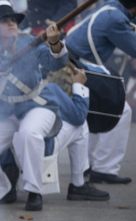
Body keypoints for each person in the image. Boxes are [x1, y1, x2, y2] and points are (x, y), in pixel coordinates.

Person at [0, 1, 68, 212]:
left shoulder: (31, 42)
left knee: (29, 133)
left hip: (36, 105)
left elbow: (56, 63)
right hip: (3, 112)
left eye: (14, 20)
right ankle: (2, 192)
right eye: (5, 21)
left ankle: (34, 192)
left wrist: (56, 43)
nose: (12, 24)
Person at [66, 0, 136, 184]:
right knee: (121, 110)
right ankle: (104, 168)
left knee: (97, 111)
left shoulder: (113, 6)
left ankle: (89, 164)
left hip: (77, 60)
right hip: (80, 65)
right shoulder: (116, 19)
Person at [43, 69, 110, 201]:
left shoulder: (0, 80)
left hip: (9, 163)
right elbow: (78, 116)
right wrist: (79, 85)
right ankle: (78, 184)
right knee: (81, 125)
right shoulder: (48, 88)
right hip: (37, 154)